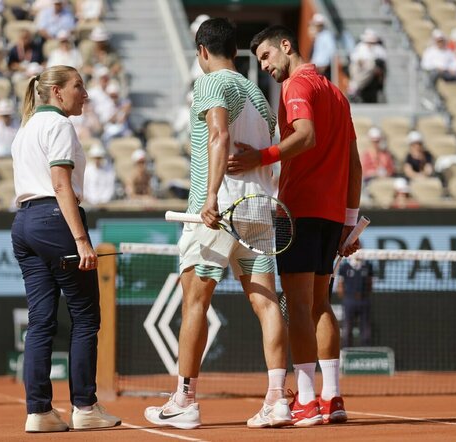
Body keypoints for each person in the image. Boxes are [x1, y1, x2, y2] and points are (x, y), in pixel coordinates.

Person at [143, 18, 291, 430]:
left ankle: (184, 399)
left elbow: (218, 137)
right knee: (266, 303)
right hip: (259, 209)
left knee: (195, 300)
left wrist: (209, 196)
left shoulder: (210, 82)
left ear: (202, 51)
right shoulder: (260, 96)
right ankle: (278, 399)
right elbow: (271, 152)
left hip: (219, 210)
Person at [229, 24, 362, 426]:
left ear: (287, 46)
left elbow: (304, 135)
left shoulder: (297, 87)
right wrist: (350, 222)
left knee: (299, 306)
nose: (265, 66)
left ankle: (305, 400)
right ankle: (332, 396)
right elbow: (354, 163)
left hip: (301, 210)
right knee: (320, 305)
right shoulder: (336, 92)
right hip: (332, 214)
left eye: (267, 56)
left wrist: (262, 157)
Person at [10, 65, 121, 433]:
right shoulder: (58, 125)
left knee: (41, 321)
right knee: (86, 318)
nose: (85, 94)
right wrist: (81, 239)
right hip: (55, 221)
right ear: (56, 92)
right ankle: (85, 407)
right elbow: (60, 183)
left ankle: (39, 411)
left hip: (23, 225)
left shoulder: (24, 129)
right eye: (78, 86)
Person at [337, 252, 373, 348]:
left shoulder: (368, 266)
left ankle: (366, 350)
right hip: (349, 300)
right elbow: (340, 284)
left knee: (365, 328)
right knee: (347, 327)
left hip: (364, 300)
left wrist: (365, 295)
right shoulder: (345, 266)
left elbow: (370, 283)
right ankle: (346, 349)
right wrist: (346, 298)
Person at [347, 29, 387, 103]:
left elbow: (381, 60)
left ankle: (354, 86)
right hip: (359, 68)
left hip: (370, 68)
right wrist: (360, 62)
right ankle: (355, 85)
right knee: (353, 66)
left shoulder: (379, 49)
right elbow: (354, 58)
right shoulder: (360, 47)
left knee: (370, 65)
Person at [308, 13, 337, 79]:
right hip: (318, 66)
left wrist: (324, 65)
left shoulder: (327, 35)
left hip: (323, 67)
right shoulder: (320, 36)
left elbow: (331, 51)